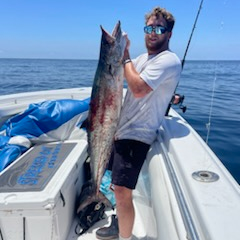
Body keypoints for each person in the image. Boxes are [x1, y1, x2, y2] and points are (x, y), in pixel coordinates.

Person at [96, 6, 182, 240]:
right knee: (114, 185)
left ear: (169, 34)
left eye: (158, 28)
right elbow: (114, 77)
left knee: (123, 192)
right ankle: (118, 222)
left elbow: (139, 87)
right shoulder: (142, 59)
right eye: (148, 28)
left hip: (137, 135)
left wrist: (123, 57)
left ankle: (125, 237)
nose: (152, 33)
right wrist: (119, 57)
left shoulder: (168, 60)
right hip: (120, 131)